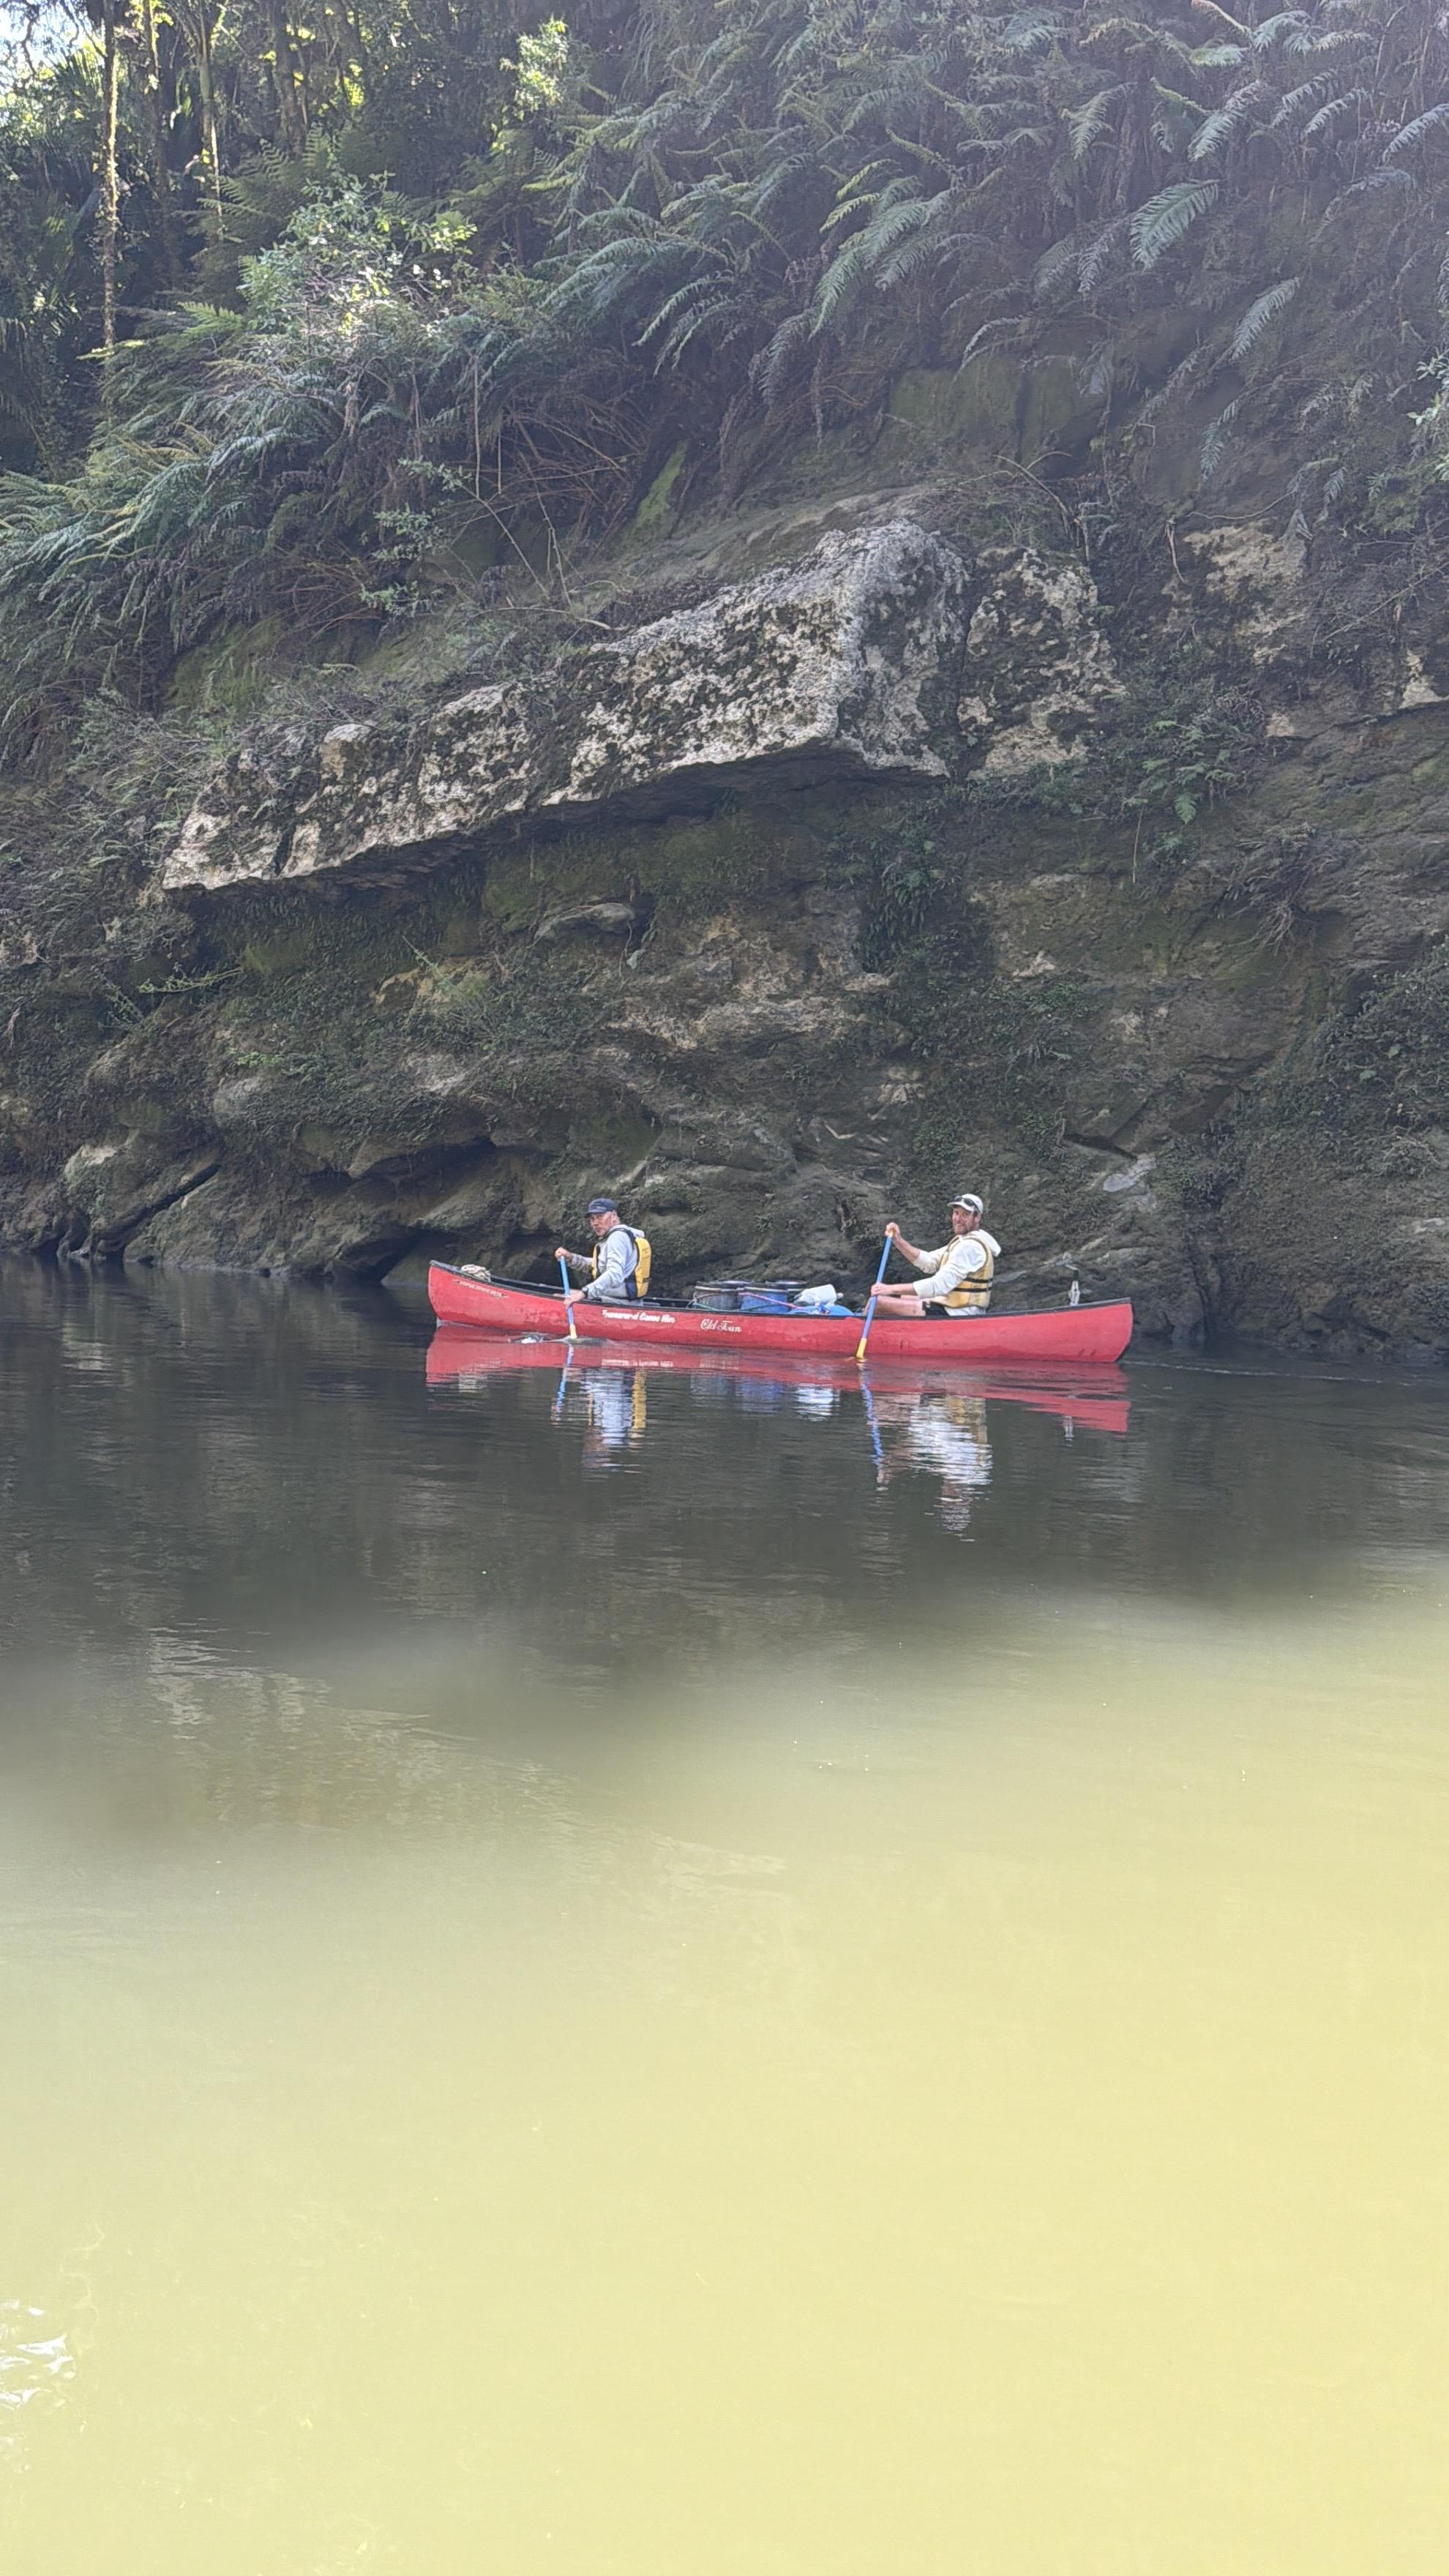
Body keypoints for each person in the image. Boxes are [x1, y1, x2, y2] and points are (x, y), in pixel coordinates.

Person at [869, 1191, 1000, 1318]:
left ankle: (858, 1333)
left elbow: (938, 1285)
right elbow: (929, 1262)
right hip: (950, 1307)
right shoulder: (963, 1241)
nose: (958, 1219)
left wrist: (890, 1289)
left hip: (957, 1315)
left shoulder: (970, 1247)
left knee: (876, 1303)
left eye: (965, 1215)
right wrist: (898, 1241)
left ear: (977, 1217)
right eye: (956, 1213)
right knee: (900, 1297)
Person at [555, 1198, 652, 1305]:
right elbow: (599, 1266)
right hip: (620, 1300)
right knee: (565, 1294)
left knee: (558, 1298)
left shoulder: (617, 1238)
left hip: (620, 1304)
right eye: (592, 1219)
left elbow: (614, 1274)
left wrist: (584, 1292)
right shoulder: (618, 1236)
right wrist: (571, 1258)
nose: (595, 1223)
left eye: (600, 1217)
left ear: (614, 1216)